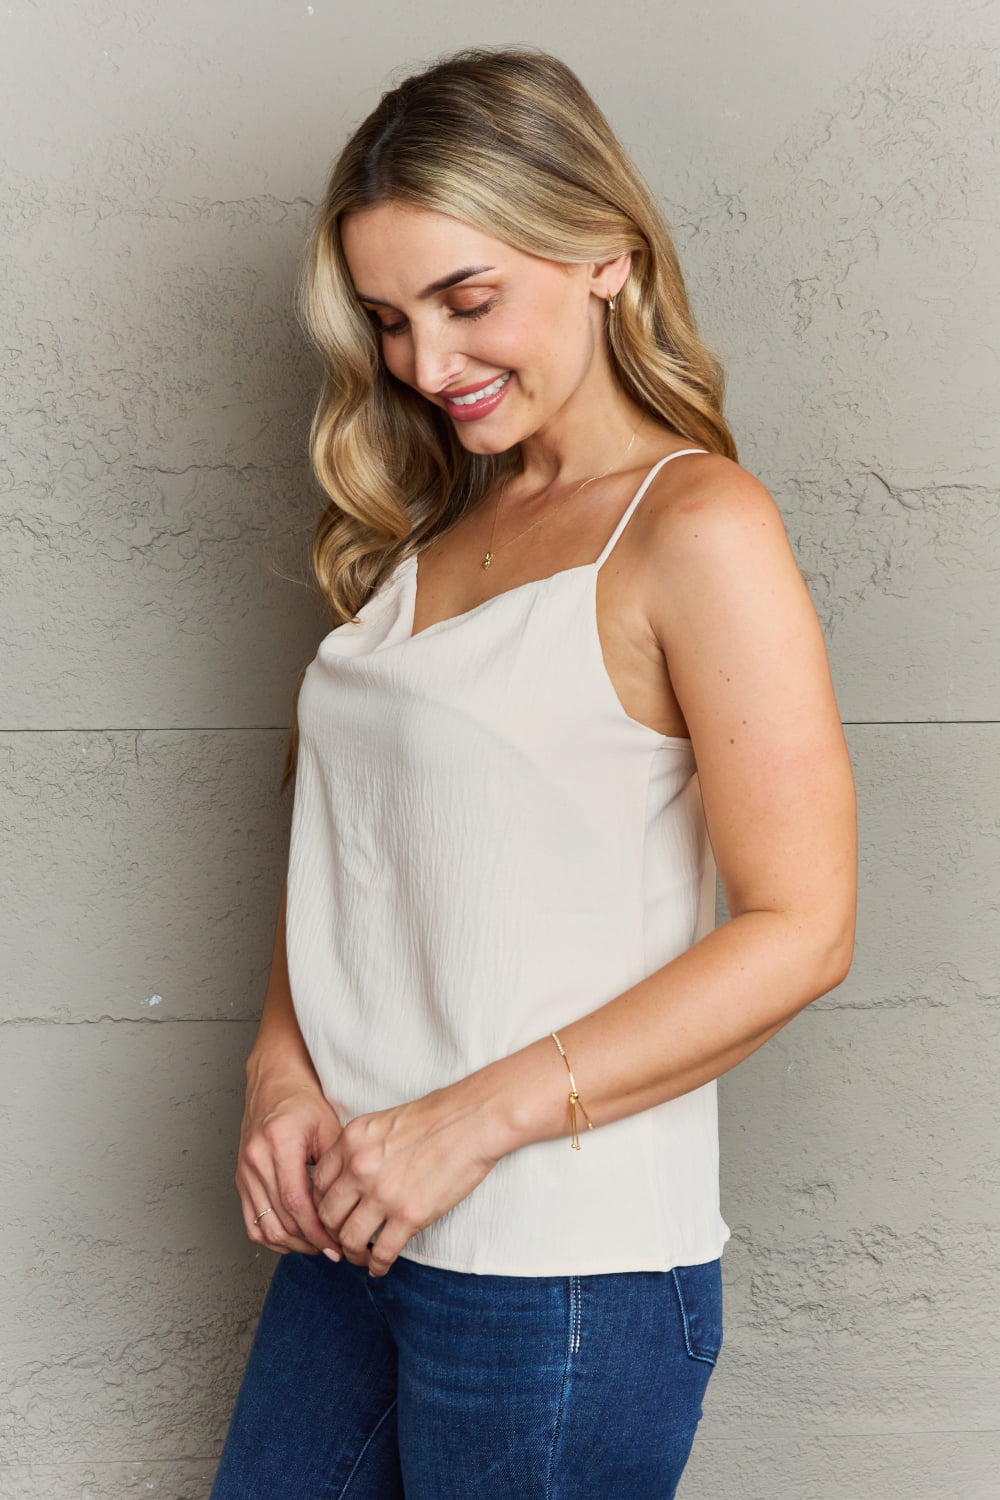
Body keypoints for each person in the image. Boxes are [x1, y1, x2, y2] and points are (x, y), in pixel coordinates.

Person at [210, 45, 857, 1500]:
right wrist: (278, 1069)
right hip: (353, 1232)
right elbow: (358, 849)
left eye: (468, 299)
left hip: (557, 1276)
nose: (425, 366)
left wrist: (469, 1121)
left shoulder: (697, 527)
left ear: (604, 256)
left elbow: (801, 927)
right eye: (389, 319)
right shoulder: (433, 532)